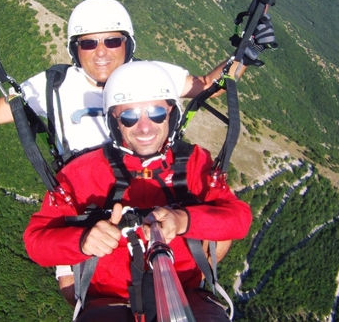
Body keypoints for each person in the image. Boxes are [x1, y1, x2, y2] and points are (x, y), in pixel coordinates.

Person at [0, 0, 272, 301]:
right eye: (89, 42)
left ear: (127, 44)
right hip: (85, 198)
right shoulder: (55, 85)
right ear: (75, 48)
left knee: (205, 245)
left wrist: (245, 53)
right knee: (76, 292)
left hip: (153, 184)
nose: (101, 51)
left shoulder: (149, 78)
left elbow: (205, 87)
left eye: (113, 40)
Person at [23, 61, 252, 321]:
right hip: (111, 300)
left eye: (156, 113)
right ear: (115, 122)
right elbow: (36, 242)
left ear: (171, 114)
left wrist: (185, 221)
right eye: (130, 117)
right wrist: (83, 240)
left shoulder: (195, 163)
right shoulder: (80, 174)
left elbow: (239, 219)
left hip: (184, 291)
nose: (145, 127)